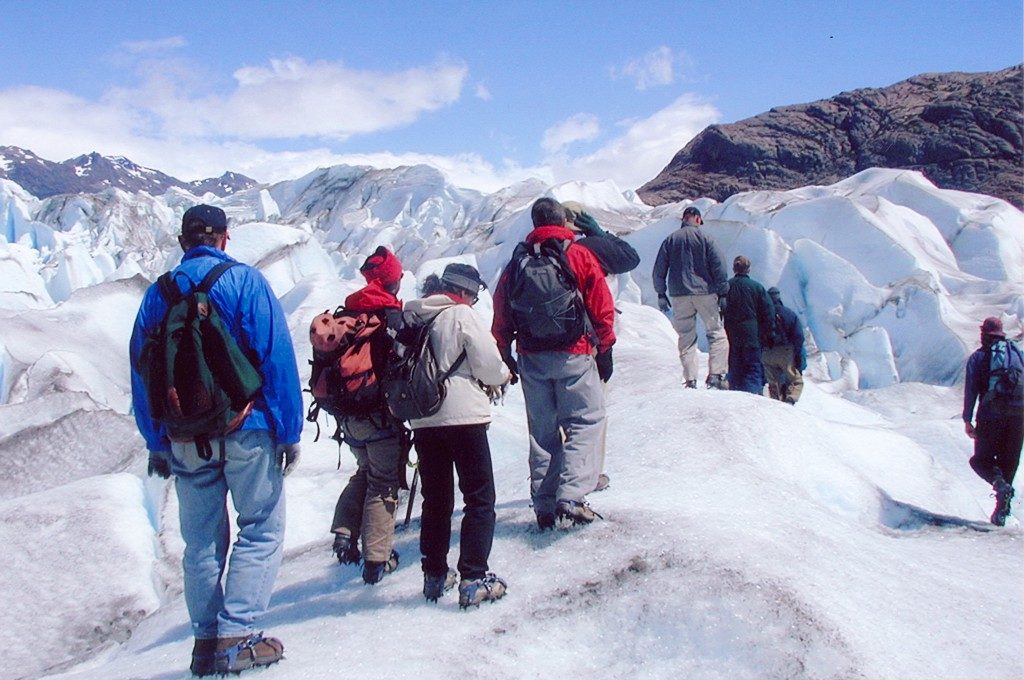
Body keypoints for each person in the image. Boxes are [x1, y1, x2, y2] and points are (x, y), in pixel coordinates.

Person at [129, 205, 302, 676]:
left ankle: (205, 642)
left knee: (201, 542)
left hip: (184, 437)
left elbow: (142, 373)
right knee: (260, 528)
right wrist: (288, 431)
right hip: (247, 429)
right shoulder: (244, 282)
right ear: (225, 237)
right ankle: (238, 635)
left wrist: (156, 440)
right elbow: (275, 358)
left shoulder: (157, 295)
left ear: (184, 240)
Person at [492, 197, 616, 528]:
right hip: (574, 353)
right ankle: (572, 496)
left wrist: (505, 353)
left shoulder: (516, 263)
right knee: (585, 421)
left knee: (543, 434)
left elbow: (501, 313)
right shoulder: (576, 254)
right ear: (562, 222)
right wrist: (605, 349)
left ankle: (544, 505)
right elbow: (601, 304)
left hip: (531, 358)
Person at [404, 263, 511, 608]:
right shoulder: (461, 316)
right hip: (464, 416)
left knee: (436, 500)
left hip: (423, 418)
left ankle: (434, 575)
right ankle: (473, 577)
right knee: (479, 497)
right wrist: (504, 376)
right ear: (463, 291)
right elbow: (489, 365)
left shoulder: (413, 316)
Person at [329, 246, 406, 584]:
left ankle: (345, 534)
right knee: (382, 483)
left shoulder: (349, 310)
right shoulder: (389, 315)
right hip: (378, 417)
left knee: (364, 471)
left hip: (348, 418)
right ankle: (377, 559)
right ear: (391, 280)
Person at [562, 201, 640, 493]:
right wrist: (602, 233)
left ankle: (559, 475)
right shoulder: (594, 247)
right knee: (591, 412)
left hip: (547, 346)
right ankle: (589, 475)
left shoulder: (543, 249)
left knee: (559, 414)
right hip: (590, 343)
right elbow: (631, 258)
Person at [652, 206, 730, 389]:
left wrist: (661, 293)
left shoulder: (671, 240)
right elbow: (719, 265)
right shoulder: (706, 239)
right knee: (716, 333)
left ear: (684, 218)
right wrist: (723, 291)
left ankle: (690, 379)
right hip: (705, 292)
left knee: (686, 337)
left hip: (679, 294)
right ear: (697, 218)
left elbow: (659, 270)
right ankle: (716, 375)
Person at [963, 316, 1023, 526]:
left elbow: (971, 390)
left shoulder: (979, 357)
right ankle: (1001, 510)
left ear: (984, 334)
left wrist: (967, 419)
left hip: (991, 415)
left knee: (980, 461)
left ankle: (1000, 486)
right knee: (1009, 466)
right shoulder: (1017, 354)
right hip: (1019, 418)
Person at [723, 255, 774, 395]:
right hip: (752, 336)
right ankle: (751, 397)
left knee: (735, 368)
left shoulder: (726, 287)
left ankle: (735, 395)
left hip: (731, 336)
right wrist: (769, 334)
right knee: (752, 369)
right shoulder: (757, 287)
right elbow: (768, 312)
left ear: (734, 268)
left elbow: (719, 308)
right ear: (749, 269)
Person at [762, 287, 806, 404]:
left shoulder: (762, 314)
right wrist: (797, 355)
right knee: (796, 381)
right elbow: (798, 337)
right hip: (785, 352)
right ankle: (790, 400)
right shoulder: (789, 314)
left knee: (773, 383)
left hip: (766, 352)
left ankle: (776, 404)